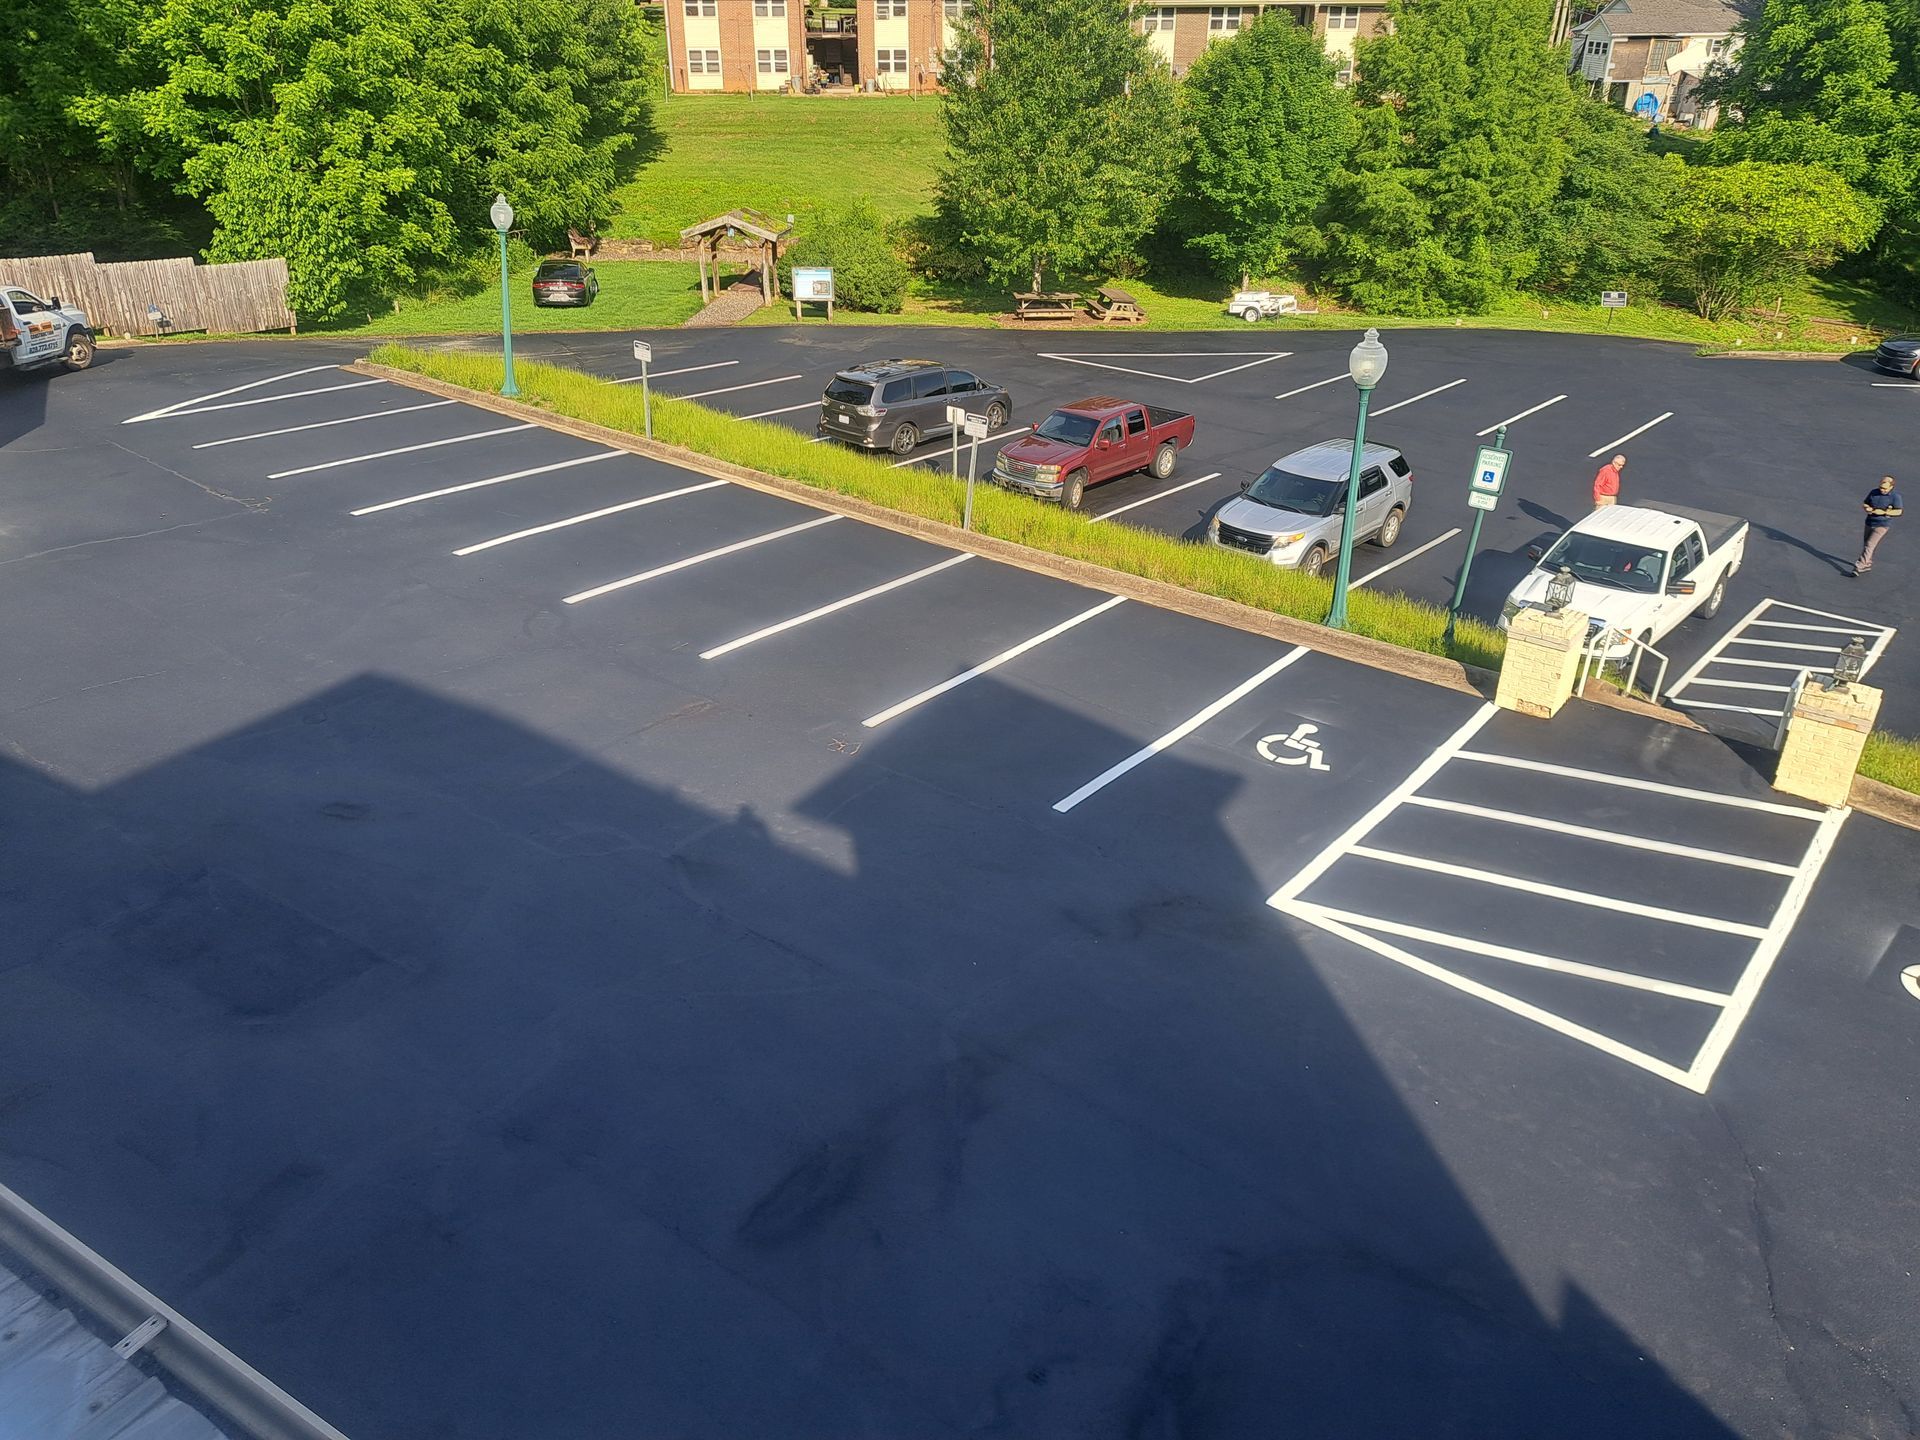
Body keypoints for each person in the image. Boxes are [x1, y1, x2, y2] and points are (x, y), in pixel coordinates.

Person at [1852, 474, 1902, 576]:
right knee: (1866, 543)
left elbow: (1899, 512)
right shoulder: (1873, 492)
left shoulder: (1895, 497)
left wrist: (1883, 512)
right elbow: (1865, 503)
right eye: (1880, 487)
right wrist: (1867, 508)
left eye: (1884, 488)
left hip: (1882, 524)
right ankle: (1867, 563)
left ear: (1891, 487)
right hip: (1870, 521)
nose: (1882, 490)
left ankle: (1859, 566)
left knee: (1870, 544)